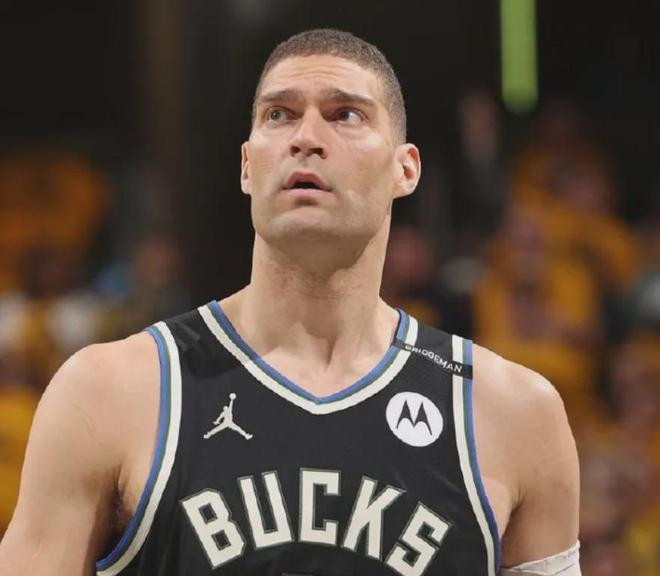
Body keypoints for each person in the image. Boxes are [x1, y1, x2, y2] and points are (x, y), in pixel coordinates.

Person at [0, 29, 580, 576]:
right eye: (279, 115)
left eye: (345, 114)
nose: (305, 138)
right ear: (247, 166)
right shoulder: (110, 391)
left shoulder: (513, 412)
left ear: (405, 169)